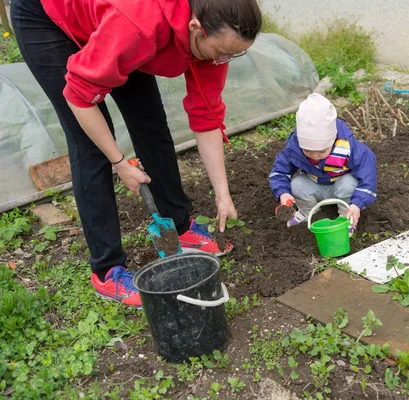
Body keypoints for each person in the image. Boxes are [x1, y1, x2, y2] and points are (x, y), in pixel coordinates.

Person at [11, 0, 262, 307]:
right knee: (90, 145)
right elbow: (79, 97)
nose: (225, 59)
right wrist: (119, 162)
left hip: (117, 24)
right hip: (49, 16)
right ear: (195, 27)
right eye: (221, 51)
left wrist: (223, 195)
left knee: (150, 122)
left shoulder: (213, 31)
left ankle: (179, 227)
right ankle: (106, 270)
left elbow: (206, 114)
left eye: (235, 53)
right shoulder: (138, 26)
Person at [269, 93, 377, 237]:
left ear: (332, 140)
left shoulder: (347, 147)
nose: (315, 156)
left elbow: (367, 174)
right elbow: (279, 171)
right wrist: (283, 192)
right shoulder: (294, 149)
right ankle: (308, 212)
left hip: (341, 186)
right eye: (308, 151)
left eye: (321, 151)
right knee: (296, 185)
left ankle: (347, 215)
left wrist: (358, 203)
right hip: (316, 185)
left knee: (349, 183)